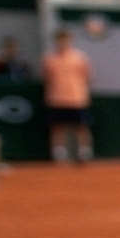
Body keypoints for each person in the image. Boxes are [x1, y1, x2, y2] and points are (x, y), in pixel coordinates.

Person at [42, 26, 92, 165]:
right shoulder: (49, 59)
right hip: (56, 99)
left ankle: (84, 153)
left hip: (77, 98)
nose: (63, 42)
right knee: (57, 127)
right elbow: (46, 78)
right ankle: (59, 155)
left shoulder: (80, 58)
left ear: (70, 40)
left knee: (81, 127)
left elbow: (88, 77)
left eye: (65, 39)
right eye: (60, 39)